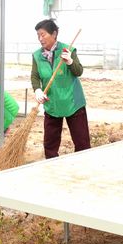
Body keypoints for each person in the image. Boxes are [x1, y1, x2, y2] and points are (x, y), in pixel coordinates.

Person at [31, 19, 90, 158]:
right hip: (52, 102)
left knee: (82, 142)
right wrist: (37, 90)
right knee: (50, 145)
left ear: (54, 34)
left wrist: (70, 61)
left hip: (73, 102)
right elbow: (35, 76)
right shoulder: (37, 56)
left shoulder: (67, 50)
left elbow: (78, 71)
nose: (40, 39)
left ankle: (83, 165)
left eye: (43, 34)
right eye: (38, 35)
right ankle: (52, 167)